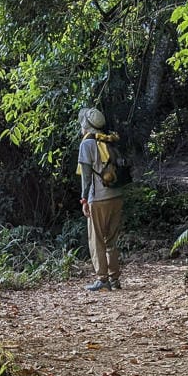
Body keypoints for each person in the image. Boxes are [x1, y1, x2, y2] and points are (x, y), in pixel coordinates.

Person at [77, 107, 124, 291]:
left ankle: (102, 279)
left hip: (98, 198)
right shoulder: (111, 140)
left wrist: (84, 200)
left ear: (86, 126)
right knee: (111, 240)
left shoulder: (86, 145)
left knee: (96, 239)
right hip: (117, 195)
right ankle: (114, 279)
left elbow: (86, 177)